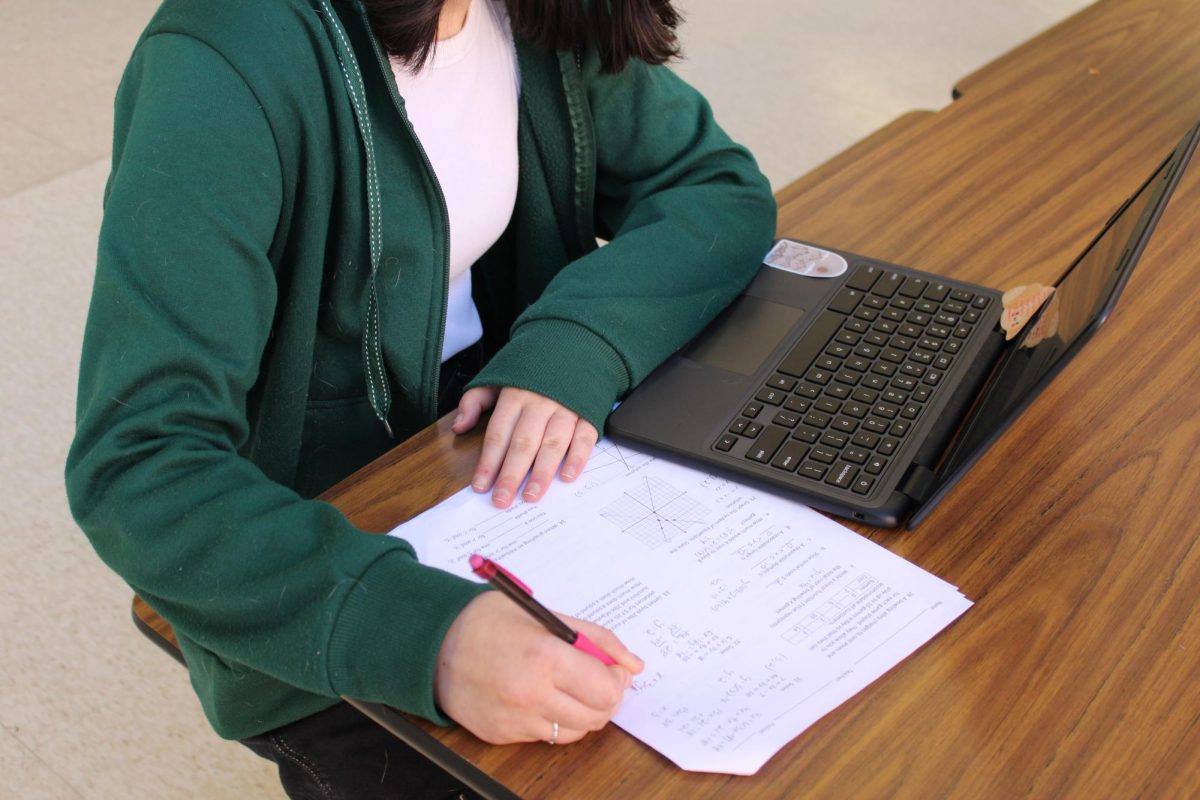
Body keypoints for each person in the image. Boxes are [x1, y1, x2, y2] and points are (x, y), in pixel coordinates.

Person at [65, 0, 775, 795]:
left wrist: (576, 344)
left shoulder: (536, 13)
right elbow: (139, 464)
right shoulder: (222, 55)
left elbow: (713, 187)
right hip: (310, 565)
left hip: (492, 467)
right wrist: (432, 640)